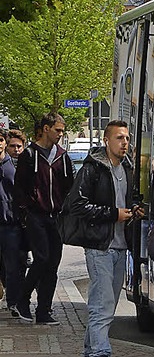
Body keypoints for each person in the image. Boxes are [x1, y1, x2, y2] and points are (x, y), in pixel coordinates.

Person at [63, 120, 140, 357]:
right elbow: (77, 205)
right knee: (102, 303)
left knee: (108, 303)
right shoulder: (93, 168)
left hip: (120, 246)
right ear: (106, 140)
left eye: (127, 138)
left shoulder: (127, 167)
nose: (125, 143)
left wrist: (133, 210)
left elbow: (127, 200)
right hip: (100, 246)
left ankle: (90, 356)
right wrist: (112, 214)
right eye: (119, 138)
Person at [13, 112, 74, 324]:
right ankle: (23, 299)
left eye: (62, 131)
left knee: (53, 263)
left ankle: (44, 310)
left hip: (54, 215)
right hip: (35, 214)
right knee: (42, 258)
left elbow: (69, 185)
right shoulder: (29, 154)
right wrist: (25, 211)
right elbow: (19, 188)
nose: (60, 134)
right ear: (46, 128)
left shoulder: (62, 156)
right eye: (57, 130)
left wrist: (63, 208)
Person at [0, 132, 27, 316]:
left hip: (10, 224)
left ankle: (13, 303)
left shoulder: (14, 165)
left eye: (0, 140)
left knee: (13, 266)